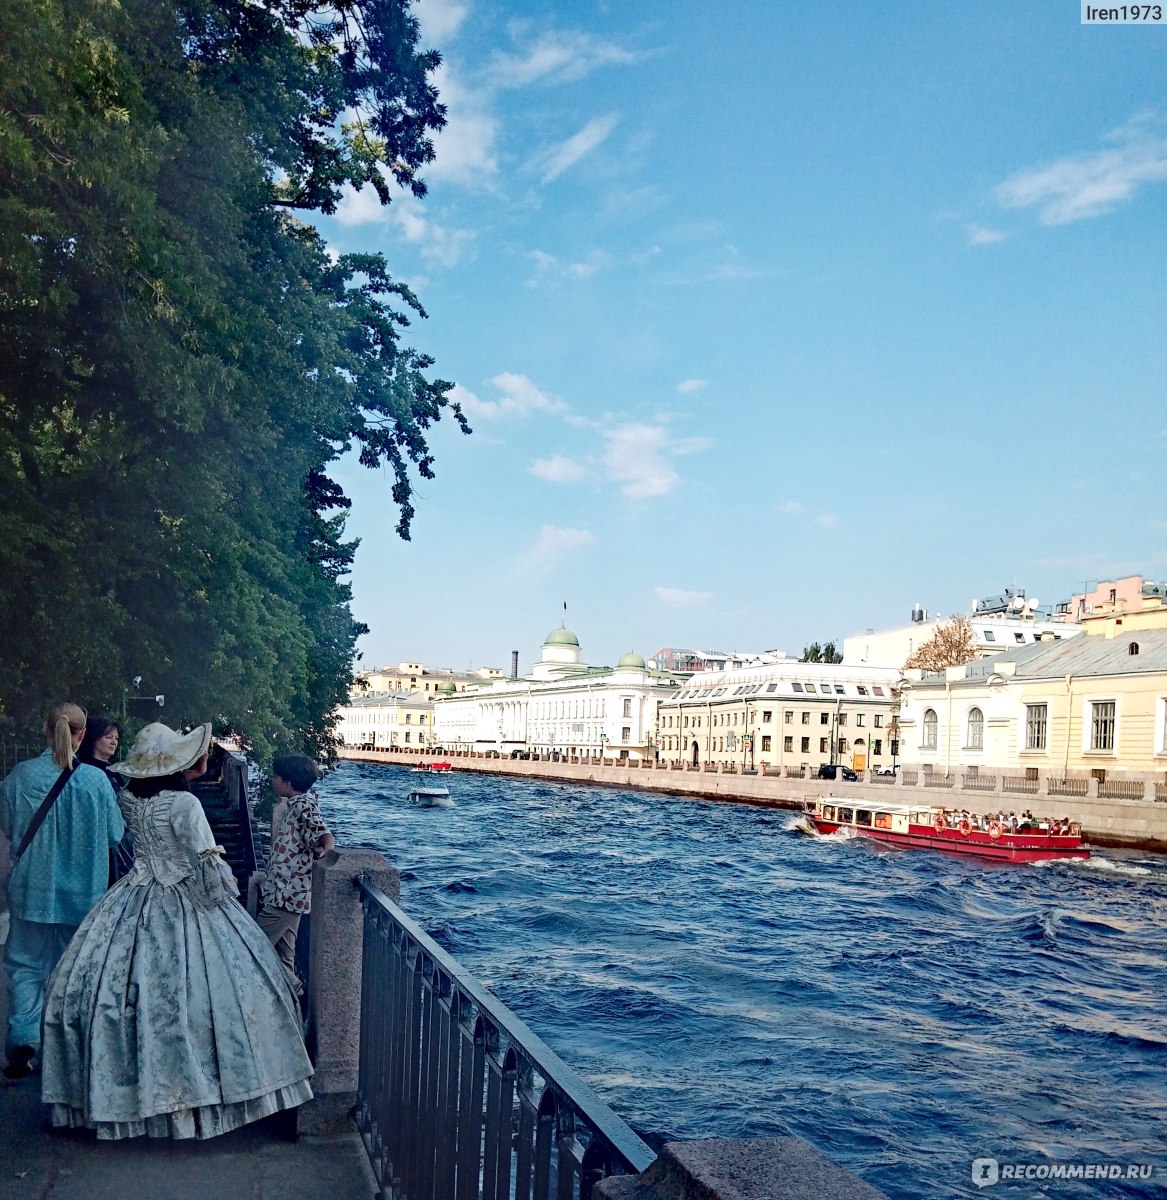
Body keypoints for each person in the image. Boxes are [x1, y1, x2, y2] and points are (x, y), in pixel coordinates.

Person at [40, 722, 313, 1139]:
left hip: (132, 895)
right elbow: (208, 866)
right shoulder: (185, 806)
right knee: (210, 996)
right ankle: (197, 1099)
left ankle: (126, 1098)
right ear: (177, 763)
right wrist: (231, 911)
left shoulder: (130, 799)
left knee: (123, 991)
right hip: (184, 899)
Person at [1, 701, 124, 1080]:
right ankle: (64, 1048)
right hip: (82, 896)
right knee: (72, 971)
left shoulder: (20, 776)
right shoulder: (96, 782)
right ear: (82, 735)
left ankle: (24, 1036)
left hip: (31, 892)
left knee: (25, 967)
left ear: (44, 728)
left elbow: (7, 826)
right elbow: (115, 835)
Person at [256, 754, 334, 997]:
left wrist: (328, 850)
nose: (272, 781)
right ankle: (290, 1007)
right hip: (288, 894)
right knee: (284, 955)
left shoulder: (303, 805)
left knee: (253, 944)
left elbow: (323, 833)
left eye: (276, 777)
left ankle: (294, 987)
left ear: (287, 782)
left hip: (286, 896)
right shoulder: (294, 805)